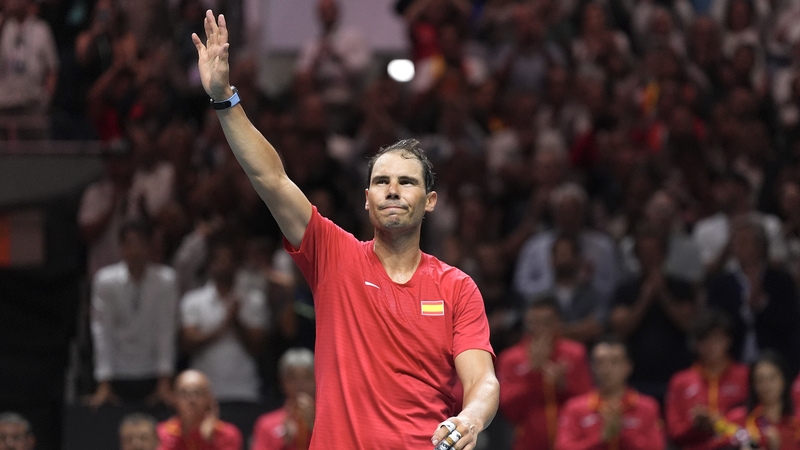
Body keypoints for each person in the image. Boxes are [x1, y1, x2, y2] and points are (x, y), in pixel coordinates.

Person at [192, 11, 498, 450]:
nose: (393, 191)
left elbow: (483, 381)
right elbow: (272, 179)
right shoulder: (334, 256)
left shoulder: (457, 288)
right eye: (381, 182)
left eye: (407, 182)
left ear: (429, 201)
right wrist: (224, 99)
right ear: (367, 199)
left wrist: (470, 418)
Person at [180, 235, 268, 434]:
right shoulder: (193, 301)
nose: (224, 265)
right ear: (210, 265)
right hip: (206, 393)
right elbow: (187, 343)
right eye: (219, 260)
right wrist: (223, 325)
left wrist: (237, 322)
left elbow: (258, 346)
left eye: (229, 260)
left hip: (244, 390)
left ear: (237, 265)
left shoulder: (253, 300)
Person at [89, 219, 178, 407]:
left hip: (152, 370)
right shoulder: (105, 281)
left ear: (149, 247)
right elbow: (102, 331)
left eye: (141, 244)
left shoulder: (166, 280)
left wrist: (164, 380)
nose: (135, 251)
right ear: (121, 247)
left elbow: (165, 329)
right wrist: (104, 381)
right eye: (130, 245)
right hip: (117, 370)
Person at [497, 297, 593, 450]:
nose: (540, 328)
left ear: (558, 323)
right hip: (527, 442)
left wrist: (563, 385)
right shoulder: (510, 359)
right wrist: (533, 375)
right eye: (534, 323)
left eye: (546, 322)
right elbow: (509, 409)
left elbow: (587, 402)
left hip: (570, 441)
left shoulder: (575, 353)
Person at [555, 337, 665, 450]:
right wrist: (601, 438)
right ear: (592, 367)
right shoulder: (574, 408)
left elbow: (656, 446)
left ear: (628, 366)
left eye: (614, 362)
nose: (606, 369)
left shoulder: (647, 407)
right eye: (600, 362)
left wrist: (620, 434)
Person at [664, 308, 750, 450]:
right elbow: (674, 432)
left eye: (716, 339)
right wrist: (695, 426)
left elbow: (757, 422)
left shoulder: (745, 376)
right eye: (704, 340)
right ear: (696, 345)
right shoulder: (680, 381)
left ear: (728, 340)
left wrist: (718, 424)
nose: (710, 346)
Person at [726, 350, 800, 450]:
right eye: (760, 379)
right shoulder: (737, 419)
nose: (766, 385)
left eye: (772, 378)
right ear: (753, 385)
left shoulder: (797, 422)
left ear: (785, 380)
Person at [157, 370, 242, 450]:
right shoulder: (162, 433)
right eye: (184, 393)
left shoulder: (227, 433)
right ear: (175, 398)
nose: (191, 399)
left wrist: (207, 440)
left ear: (209, 398)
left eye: (198, 393)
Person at [252, 348, 316, 450]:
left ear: (316, 379)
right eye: (293, 378)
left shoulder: (327, 421)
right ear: (282, 382)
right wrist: (284, 443)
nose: (300, 384)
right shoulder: (266, 424)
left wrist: (314, 429)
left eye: (306, 377)